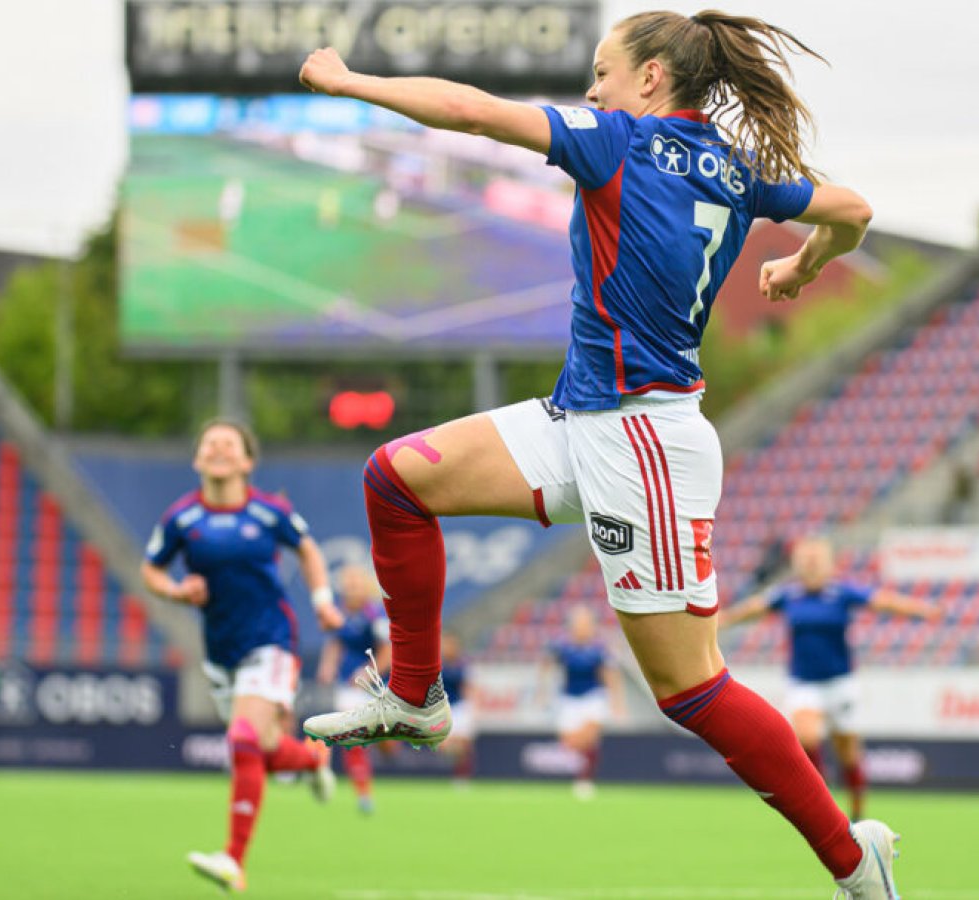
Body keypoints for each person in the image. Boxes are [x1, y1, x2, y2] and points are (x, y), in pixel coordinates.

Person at [299, 11, 901, 896]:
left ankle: (855, 863)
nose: (591, 90)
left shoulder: (617, 141)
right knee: (396, 478)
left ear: (652, 77)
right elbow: (852, 211)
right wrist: (802, 268)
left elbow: (470, 110)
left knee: (691, 692)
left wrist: (351, 83)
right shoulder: (738, 167)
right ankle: (417, 697)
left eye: (602, 72)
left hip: (643, 438)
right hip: (581, 416)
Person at [141, 418, 345, 893]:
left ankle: (233, 860)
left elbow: (309, 550)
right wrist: (175, 590)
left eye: (228, 444)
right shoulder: (181, 519)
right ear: (197, 459)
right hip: (221, 651)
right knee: (259, 750)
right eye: (209, 443)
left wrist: (322, 602)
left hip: (270, 639)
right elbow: (151, 569)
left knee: (244, 738)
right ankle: (313, 761)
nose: (218, 449)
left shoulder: (269, 512)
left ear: (247, 462)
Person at [721, 537, 941, 820]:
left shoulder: (842, 593)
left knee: (847, 751)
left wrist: (921, 609)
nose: (811, 566)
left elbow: (882, 602)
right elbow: (754, 608)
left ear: (828, 564)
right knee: (808, 737)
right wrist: (724, 618)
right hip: (804, 682)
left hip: (840, 682)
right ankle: (824, 806)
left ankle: (858, 812)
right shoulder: (788, 596)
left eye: (817, 560)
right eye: (806, 560)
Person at [315, 564, 392, 814]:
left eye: (355, 584)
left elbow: (388, 651)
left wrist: (368, 672)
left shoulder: (375, 614)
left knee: (387, 742)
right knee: (353, 737)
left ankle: (385, 741)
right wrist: (327, 666)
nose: (350, 589)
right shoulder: (339, 613)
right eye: (347, 585)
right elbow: (336, 643)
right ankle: (363, 793)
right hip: (350, 685)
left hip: (377, 683)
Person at [541, 605, 625, 799]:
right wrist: (543, 692)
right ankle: (580, 771)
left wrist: (616, 702)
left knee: (590, 736)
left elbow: (610, 675)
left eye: (586, 624)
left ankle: (585, 780)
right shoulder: (561, 646)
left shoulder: (599, 648)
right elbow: (546, 665)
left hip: (593, 696)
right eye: (579, 624)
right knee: (570, 742)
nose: (582, 628)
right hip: (568, 698)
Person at [439, 631, 478, 787]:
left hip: (460, 707)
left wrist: (473, 707)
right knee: (445, 746)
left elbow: (469, 687)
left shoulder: (463, 665)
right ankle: (459, 763)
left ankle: (462, 777)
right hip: (443, 709)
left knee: (464, 743)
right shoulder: (436, 665)